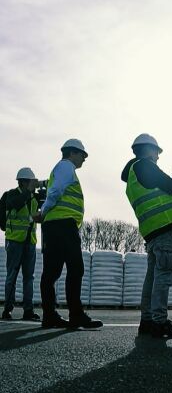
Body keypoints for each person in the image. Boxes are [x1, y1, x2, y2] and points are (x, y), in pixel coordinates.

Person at [121, 134, 172, 338]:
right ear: (148, 150)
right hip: (162, 229)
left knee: (152, 277)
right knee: (163, 275)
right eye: (157, 152)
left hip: (152, 230)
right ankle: (159, 322)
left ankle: (147, 321)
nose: (158, 157)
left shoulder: (134, 174)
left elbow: (159, 196)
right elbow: (171, 187)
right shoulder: (145, 165)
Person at [35, 139, 103, 329]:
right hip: (63, 226)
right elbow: (55, 192)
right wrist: (43, 211)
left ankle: (49, 316)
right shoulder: (66, 167)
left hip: (54, 227)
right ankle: (76, 315)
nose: (84, 159)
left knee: (51, 272)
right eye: (83, 155)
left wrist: (45, 214)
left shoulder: (60, 169)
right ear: (72, 153)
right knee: (75, 268)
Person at [2, 168, 40, 321]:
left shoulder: (34, 197)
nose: (34, 184)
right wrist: (28, 192)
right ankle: (7, 310)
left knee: (29, 277)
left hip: (29, 241)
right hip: (15, 241)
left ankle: (28, 310)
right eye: (31, 182)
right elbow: (15, 204)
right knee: (12, 275)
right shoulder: (11, 194)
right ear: (24, 182)